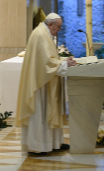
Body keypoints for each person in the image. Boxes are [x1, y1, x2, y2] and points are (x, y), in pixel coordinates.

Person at [15, 13, 76, 155]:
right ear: (51, 24)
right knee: (40, 113)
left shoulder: (45, 33)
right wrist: (64, 63)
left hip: (46, 80)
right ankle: (39, 146)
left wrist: (63, 61)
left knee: (48, 111)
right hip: (40, 83)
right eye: (58, 27)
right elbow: (46, 63)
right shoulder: (41, 35)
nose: (59, 30)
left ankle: (54, 142)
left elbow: (50, 58)